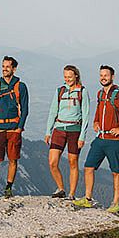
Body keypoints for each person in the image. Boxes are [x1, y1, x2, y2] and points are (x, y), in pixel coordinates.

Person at [73, 65, 119, 214]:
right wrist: (95, 122)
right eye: (101, 75)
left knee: (115, 171)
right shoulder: (100, 93)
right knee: (88, 167)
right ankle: (88, 199)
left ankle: (115, 203)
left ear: (112, 77)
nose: (103, 78)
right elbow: (98, 110)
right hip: (100, 137)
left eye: (106, 75)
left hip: (115, 140)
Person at [44, 65, 91, 199]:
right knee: (52, 162)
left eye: (70, 76)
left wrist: (82, 136)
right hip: (59, 129)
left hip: (74, 130)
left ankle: (71, 194)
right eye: (65, 77)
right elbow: (53, 111)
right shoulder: (60, 91)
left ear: (76, 75)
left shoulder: (82, 91)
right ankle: (61, 188)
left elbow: (86, 115)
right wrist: (48, 131)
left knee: (73, 162)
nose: (67, 79)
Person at [0, 56, 28, 199]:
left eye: (8, 67)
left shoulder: (20, 86)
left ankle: (8, 188)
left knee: (13, 159)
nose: (4, 69)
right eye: (3, 66)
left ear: (14, 69)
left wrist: (19, 128)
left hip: (13, 128)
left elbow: (25, 109)